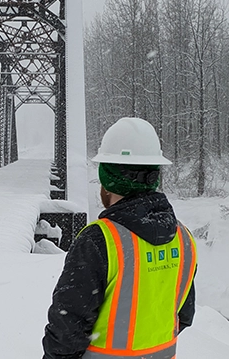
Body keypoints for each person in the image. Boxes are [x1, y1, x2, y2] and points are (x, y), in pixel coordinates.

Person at [42, 117, 197, 359]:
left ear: (106, 178)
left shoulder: (98, 240)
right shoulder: (183, 238)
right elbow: (184, 317)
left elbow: (67, 330)